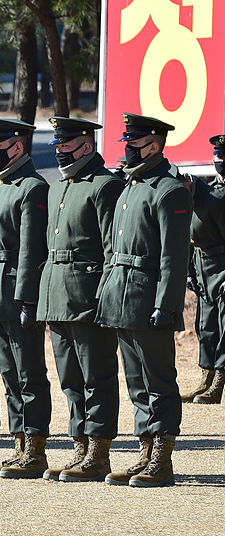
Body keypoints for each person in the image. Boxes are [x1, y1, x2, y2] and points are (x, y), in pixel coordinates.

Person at [97, 113, 192, 487]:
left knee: (159, 381)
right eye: (126, 144)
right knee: (136, 382)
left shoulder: (169, 190)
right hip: (122, 297)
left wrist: (166, 305)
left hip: (150, 300)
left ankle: (162, 459)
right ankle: (144, 450)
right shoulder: (130, 186)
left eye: (134, 145)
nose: (127, 151)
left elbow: (174, 255)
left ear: (154, 145)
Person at [38, 117, 123, 482]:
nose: (59, 150)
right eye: (57, 144)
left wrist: (106, 296)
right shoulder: (59, 187)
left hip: (89, 296)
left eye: (66, 144)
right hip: (58, 294)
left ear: (86, 146)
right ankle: (79, 447)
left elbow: (111, 248)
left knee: (97, 376)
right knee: (71, 378)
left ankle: (99, 452)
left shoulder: (103, 185)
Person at [0, 117, 51, 479]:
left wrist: (27, 301)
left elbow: (31, 249)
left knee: (29, 373)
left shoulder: (31, 187)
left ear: (18, 147)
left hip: (17, 291)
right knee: (8, 373)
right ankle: (18, 443)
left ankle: (35, 449)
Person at [182, 134, 225, 404]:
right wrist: (190, 272)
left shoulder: (216, 199)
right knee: (205, 325)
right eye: (217, 156)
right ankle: (205, 376)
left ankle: (218, 380)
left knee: (223, 326)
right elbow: (187, 238)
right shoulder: (199, 194)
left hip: (221, 269)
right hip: (202, 268)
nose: (219, 161)